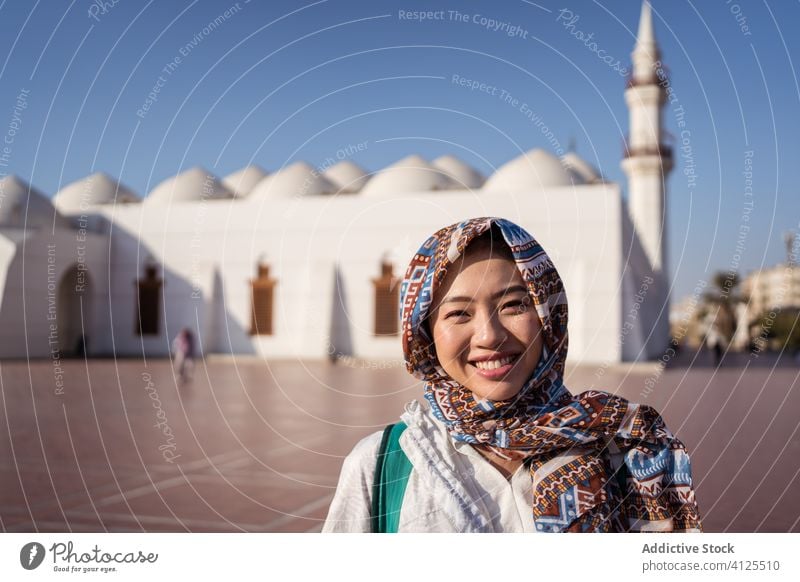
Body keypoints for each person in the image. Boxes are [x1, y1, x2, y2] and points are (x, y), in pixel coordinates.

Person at [322, 217, 702, 533]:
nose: (489, 336)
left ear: (547, 316)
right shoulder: (383, 464)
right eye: (459, 313)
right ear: (424, 333)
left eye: (513, 304)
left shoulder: (625, 449)